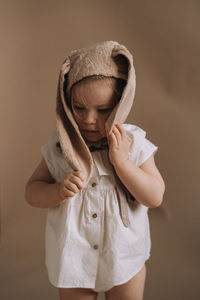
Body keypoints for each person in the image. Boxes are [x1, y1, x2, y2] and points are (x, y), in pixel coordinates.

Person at [25, 41, 165, 300]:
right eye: (79, 108)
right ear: (66, 103)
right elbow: (32, 192)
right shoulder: (60, 148)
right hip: (73, 259)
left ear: (122, 102)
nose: (89, 119)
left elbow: (155, 197)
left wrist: (122, 163)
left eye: (103, 110)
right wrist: (57, 191)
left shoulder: (132, 145)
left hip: (124, 257)